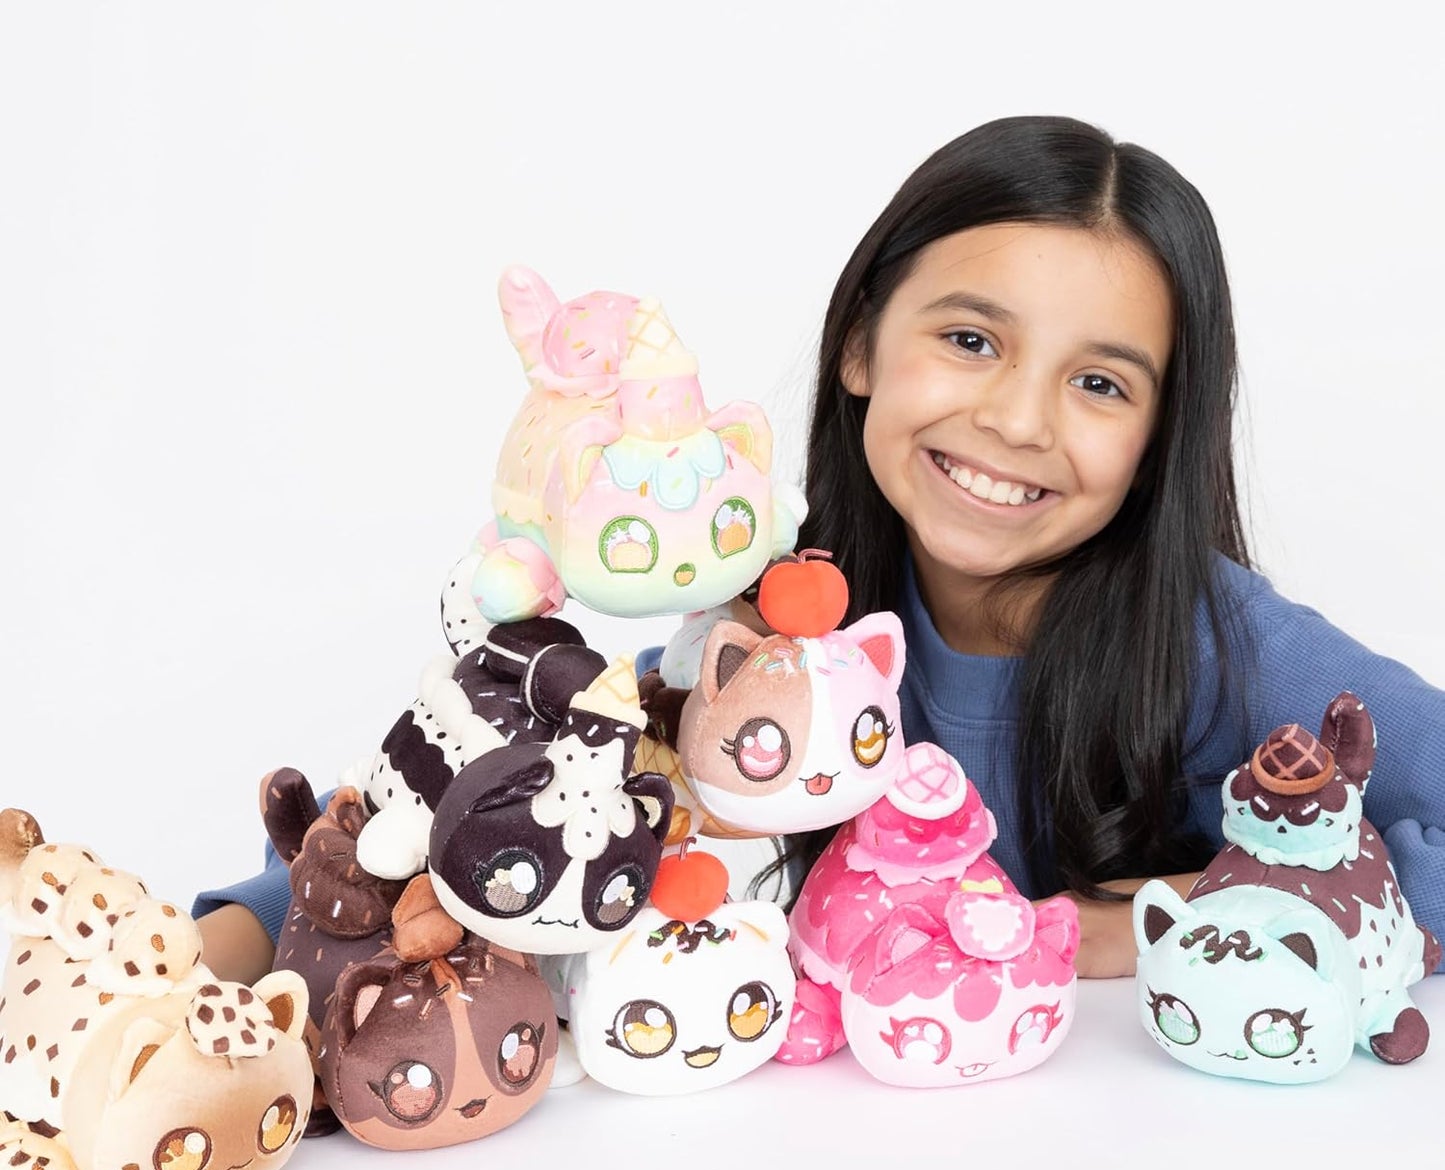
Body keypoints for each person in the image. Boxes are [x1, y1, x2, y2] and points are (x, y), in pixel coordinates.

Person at [194, 114, 1445, 984]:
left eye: (1100, 382)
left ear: (1160, 433)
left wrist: (1147, 920)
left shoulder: (1221, 645)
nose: (1015, 419)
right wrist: (226, 948)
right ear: (858, 346)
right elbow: (468, 808)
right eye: (969, 339)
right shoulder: (764, 623)